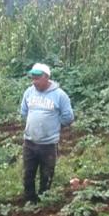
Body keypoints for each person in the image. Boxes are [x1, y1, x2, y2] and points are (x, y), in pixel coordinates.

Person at [19, 63, 74, 203]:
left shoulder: (60, 95)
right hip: (29, 142)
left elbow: (68, 117)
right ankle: (29, 200)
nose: (34, 81)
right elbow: (24, 112)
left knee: (47, 174)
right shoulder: (29, 92)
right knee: (28, 173)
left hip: (48, 144)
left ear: (47, 77)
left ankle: (44, 201)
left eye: (37, 78)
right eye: (33, 78)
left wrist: (54, 125)